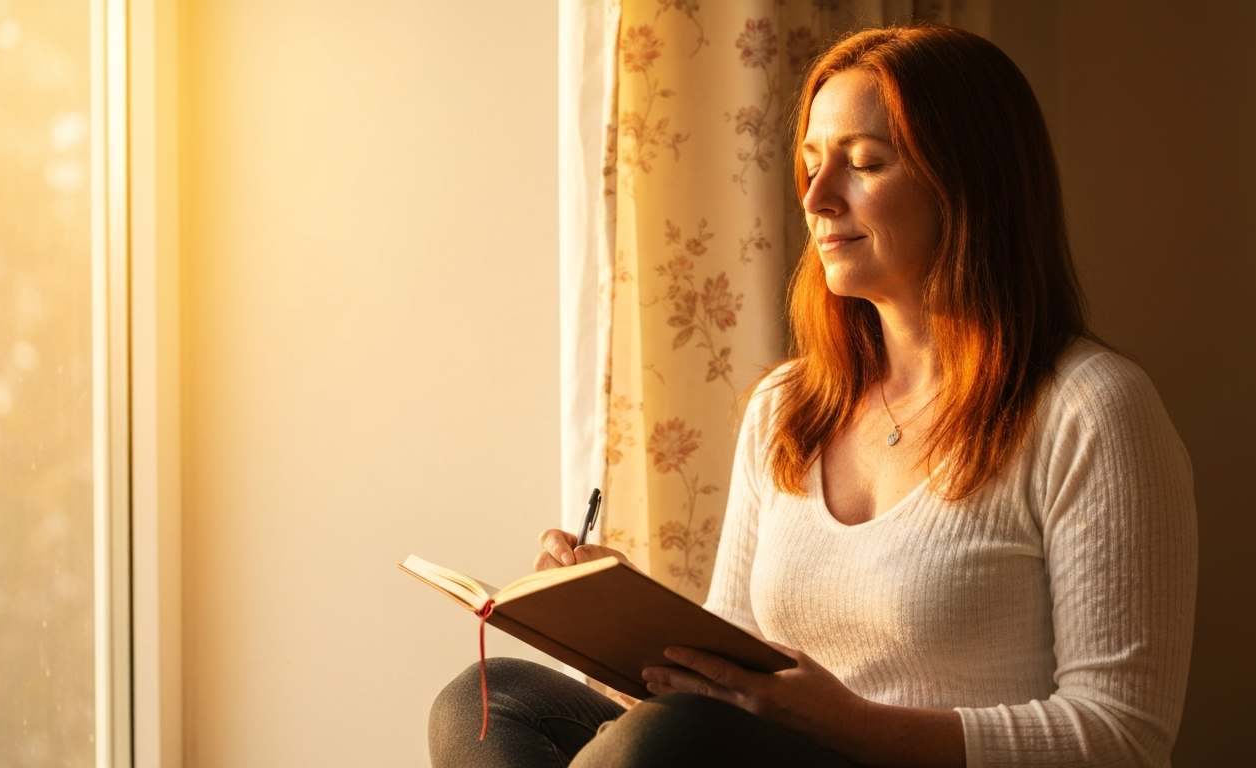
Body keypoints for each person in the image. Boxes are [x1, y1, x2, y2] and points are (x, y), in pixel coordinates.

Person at [430, 22, 1196, 768]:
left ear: (969, 184)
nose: (817, 196)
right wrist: (614, 615)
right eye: (810, 163)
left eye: (863, 163)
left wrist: (853, 726)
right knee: (491, 699)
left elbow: (1123, 737)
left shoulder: (1091, 410)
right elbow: (723, 676)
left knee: (665, 741)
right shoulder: (787, 405)